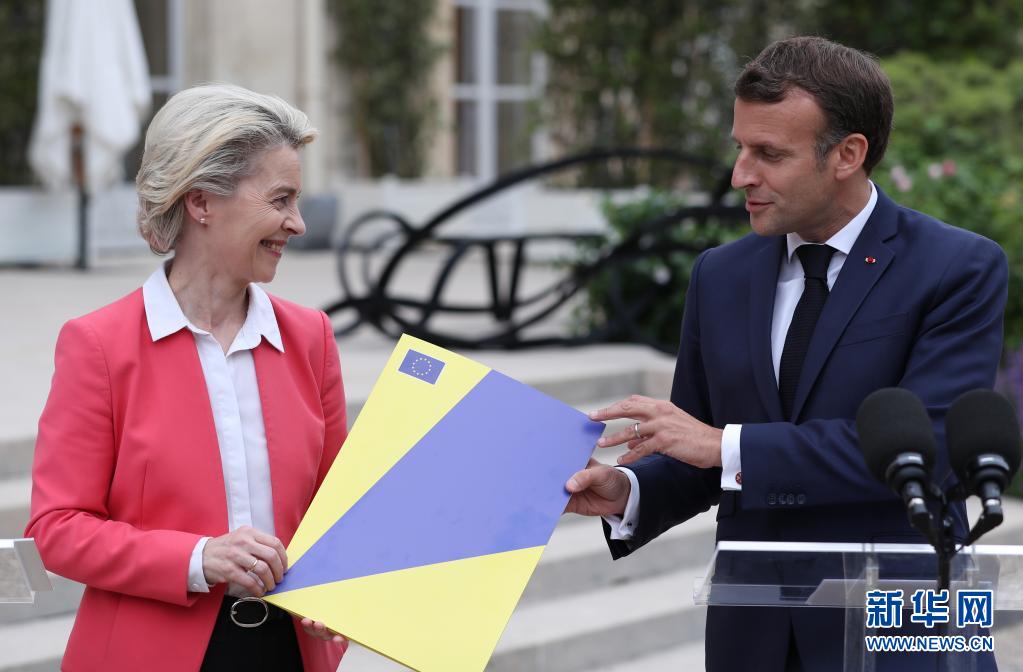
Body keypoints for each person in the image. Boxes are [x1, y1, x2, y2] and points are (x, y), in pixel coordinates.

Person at [565, 37, 1006, 671]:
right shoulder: (719, 274)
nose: (741, 175)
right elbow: (702, 446)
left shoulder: (957, 267)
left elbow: (927, 449)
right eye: (739, 148)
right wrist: (628, 490)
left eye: (769, 154)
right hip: (753, 636)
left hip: (901, 631)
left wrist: (724, 446)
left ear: (848, 154)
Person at [26, 84, 348, 671]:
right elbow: (57, 529)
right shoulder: (99, 346)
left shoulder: (312, 338)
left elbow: (342, 512)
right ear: (201, 202)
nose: (298, 224)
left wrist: (342, 591)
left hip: (291, 653)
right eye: (280, 200)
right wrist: (199, 558)